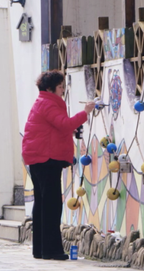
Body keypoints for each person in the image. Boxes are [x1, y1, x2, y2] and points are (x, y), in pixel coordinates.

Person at [21, 70, 95, 261]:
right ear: (50, 88)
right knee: (52, 205)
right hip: (46, 159)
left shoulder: (43, 102)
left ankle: (40, 249)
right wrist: (85, 113)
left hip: (38, 158)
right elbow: (64, 124)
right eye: (60, 87)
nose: (63, 90)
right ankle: (51, 250)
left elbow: (55, 128)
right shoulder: (48, 104)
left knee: (42, 204)